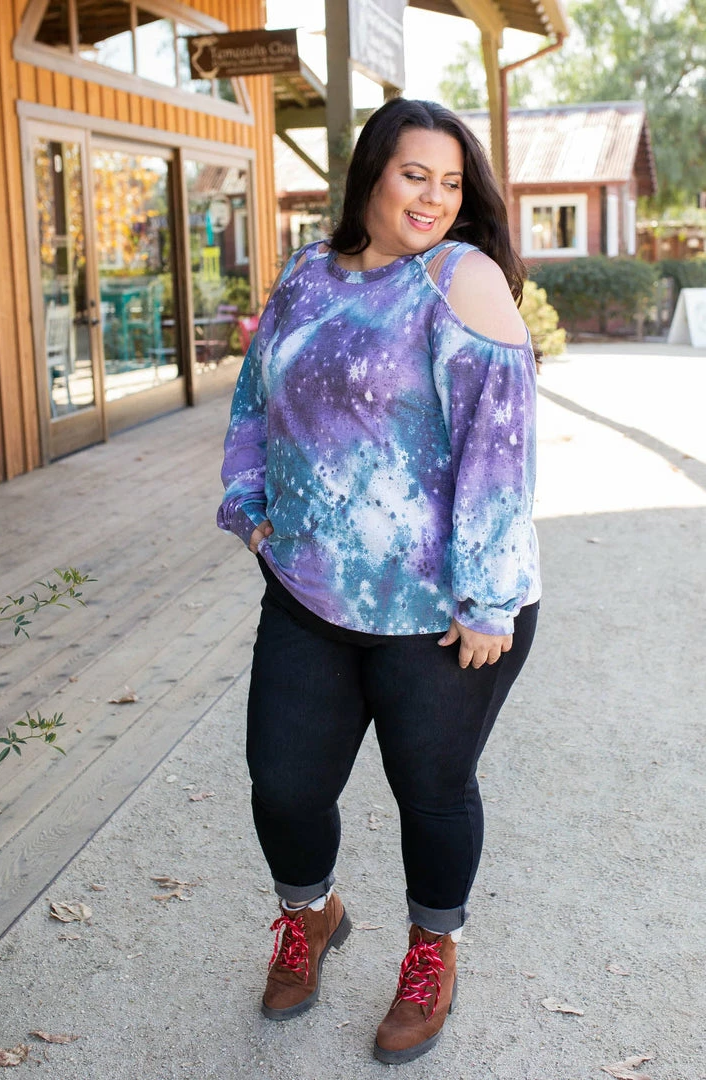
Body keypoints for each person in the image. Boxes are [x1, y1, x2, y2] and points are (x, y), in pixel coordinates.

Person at [217, 97, 540, 1065]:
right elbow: (255, 395)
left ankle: (432, 953)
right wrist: (248, 503)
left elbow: (499, 448)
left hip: (443, 611)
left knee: (431, 790)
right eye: (414, 175)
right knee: (283, 784)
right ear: (371, 174)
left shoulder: (461, 279)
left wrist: (489, 598)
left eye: (451, 183)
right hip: (309, 588)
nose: (433, 199)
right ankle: (310, 916)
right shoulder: (307, 273)